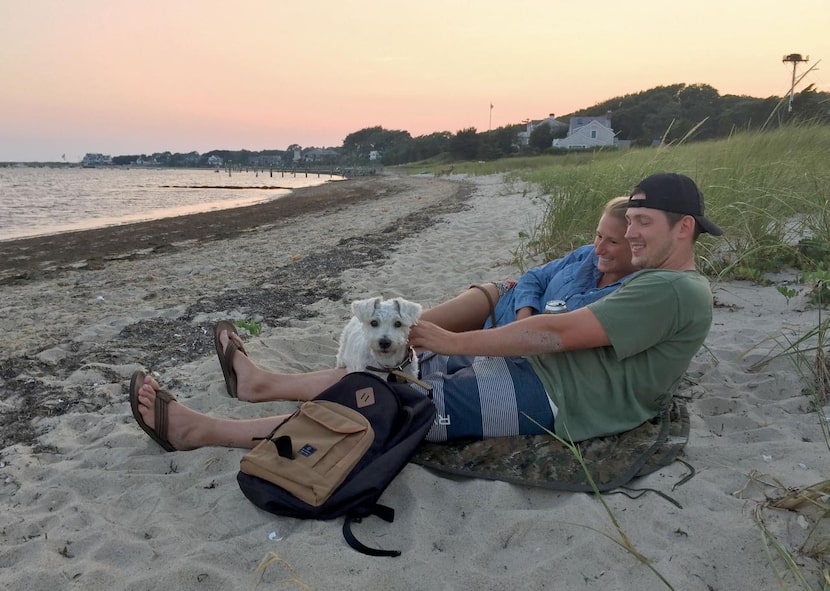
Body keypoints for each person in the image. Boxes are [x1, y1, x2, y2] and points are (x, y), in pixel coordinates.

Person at [130, 172, 722, 452]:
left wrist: (451, 340)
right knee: (381, 378)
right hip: (528, 379)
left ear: (684, 227)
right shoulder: (656, 280)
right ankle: (261, 384)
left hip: (549, 401)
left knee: (381, 410)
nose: (633, 235)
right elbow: (543, 299)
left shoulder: (673, 290)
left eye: (645, 224)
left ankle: (202, 431)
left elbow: (555, 334)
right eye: (632, 223)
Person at [422, 195, 636, 333]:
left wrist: (523, 331)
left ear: (637, 243)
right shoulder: (586, 254)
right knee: (410, 328)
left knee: (419, 357)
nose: (599, 249)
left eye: (613, 242)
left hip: (512, 347)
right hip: (503, 301)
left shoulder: (634, 291)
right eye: (599, 236)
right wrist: (523, 316)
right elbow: (534, 276)